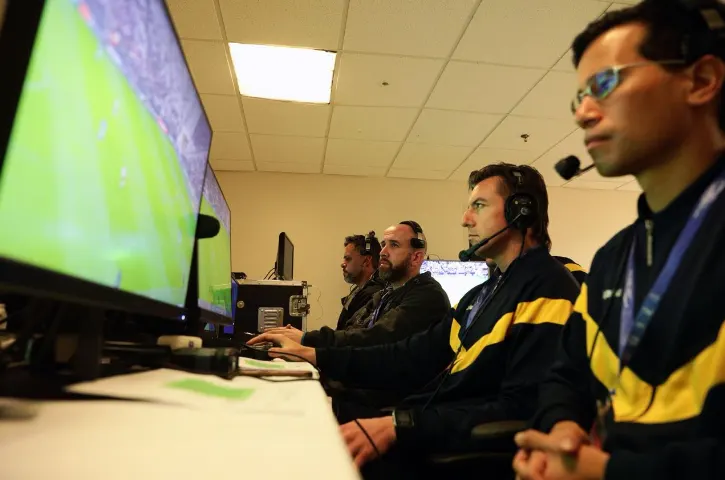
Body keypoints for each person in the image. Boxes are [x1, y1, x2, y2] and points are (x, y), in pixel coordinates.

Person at [249, 163, 581, 478]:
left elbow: (522, 409)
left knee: (308, 460)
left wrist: (402, 425)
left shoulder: (547, 290)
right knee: (297, 433)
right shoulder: (481, 296)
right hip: (429, 428)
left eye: (478, 205)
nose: (466, 219)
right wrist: (317, 354)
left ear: (520, 211)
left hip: (460, 454)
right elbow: (409, 354)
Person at [513, 2, 725, 479]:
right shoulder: (616, 257)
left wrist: (604, 473)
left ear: (702, 80)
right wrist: (562, 429)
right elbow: (564, 375)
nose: (584, 114)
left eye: (604, 84)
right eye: (578, 99)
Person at [253, 221, 450, 349]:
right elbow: (352, 334)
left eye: (394, 245)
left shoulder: (426, 296)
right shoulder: (386, 294)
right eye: (383, 244)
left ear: (416, 256)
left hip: (387, 403)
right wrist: (302, 339)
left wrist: (307, 342)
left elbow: (373, 340)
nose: (382, 252)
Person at [335, 233, 385, 331]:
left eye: (348, 258)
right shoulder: (360, 289)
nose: (343, 264)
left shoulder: (372, 294)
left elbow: (350, 339)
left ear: (366, 261)